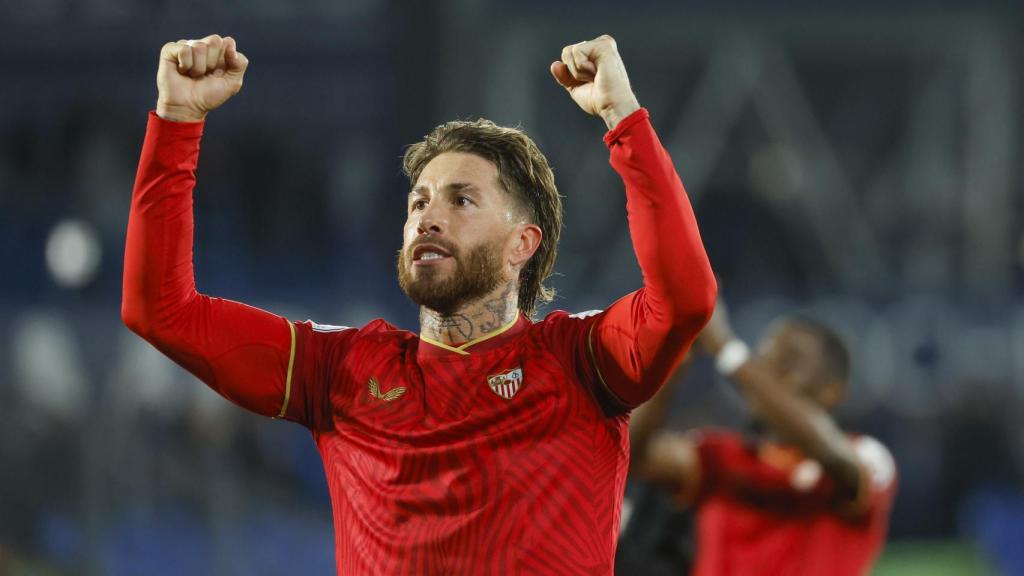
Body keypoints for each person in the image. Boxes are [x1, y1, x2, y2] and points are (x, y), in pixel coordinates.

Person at [121, 33, 716, 574]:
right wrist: (176, 120)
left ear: (522, 244)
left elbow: (685, 298)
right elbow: (160, 310)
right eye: (418, 202)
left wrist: (622, 118)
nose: (427, 216)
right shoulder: (342, 371)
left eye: (462, 201)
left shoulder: (582, 363)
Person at [629, 300, 897, 575]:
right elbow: (633, 455)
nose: (767, 372)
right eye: (765, 359)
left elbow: (830, 452)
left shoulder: (867, 456)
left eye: (788, 361)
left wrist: (726, 349)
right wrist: (673, 354)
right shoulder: (722, 456)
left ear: (832, 391)